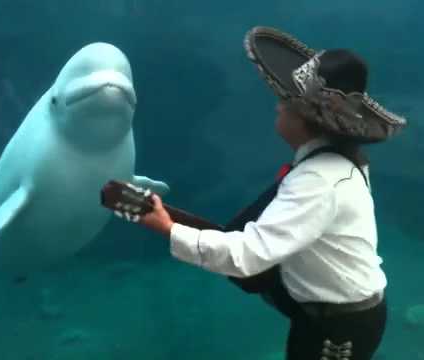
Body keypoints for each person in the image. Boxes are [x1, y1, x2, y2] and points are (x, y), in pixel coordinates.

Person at [122, 27, 407, 360]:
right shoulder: (339, 161)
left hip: (338, 327)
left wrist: (167, 228)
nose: (277, 110)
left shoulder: (318, 179)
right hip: (337, 316)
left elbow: (248, 255)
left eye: (285, 104)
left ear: (306, 120)